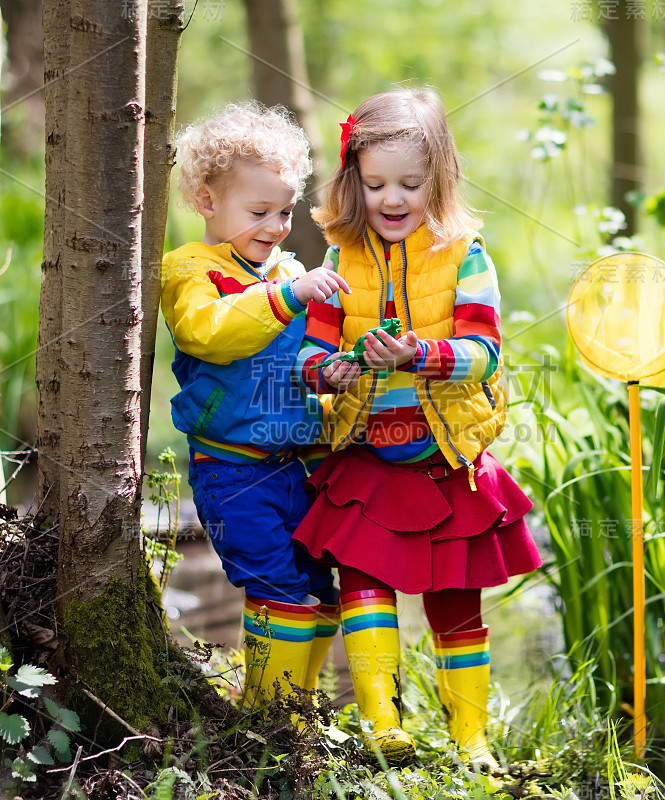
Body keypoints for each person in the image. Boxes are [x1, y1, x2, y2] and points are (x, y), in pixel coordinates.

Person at [293, 87, 542, 769]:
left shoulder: (466, 255)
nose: (392, 199)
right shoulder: (342, 261)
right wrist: (332, 372)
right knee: (362, 583)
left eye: (410, 183)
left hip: (449, 458)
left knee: (456, 601)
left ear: (441, 179)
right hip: (368, 461)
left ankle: (472, 739)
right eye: (375, 184)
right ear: (353, 182)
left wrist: (420, 355)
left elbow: (484, 353)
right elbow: (310, 355)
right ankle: (384, 724)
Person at [160, 102, 350, 711]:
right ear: (207, 201)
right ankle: (272, 717)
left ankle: (290, 702)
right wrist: (288, 294)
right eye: (258, 211)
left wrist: (333, 373)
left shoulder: (291, 270)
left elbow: (305, 357)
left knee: (320, 588)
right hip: (232, 469)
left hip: (296, 463)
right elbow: (208, 334)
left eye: (285, 211)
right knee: (276, 584)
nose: (274, 226)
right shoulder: (194, 270)